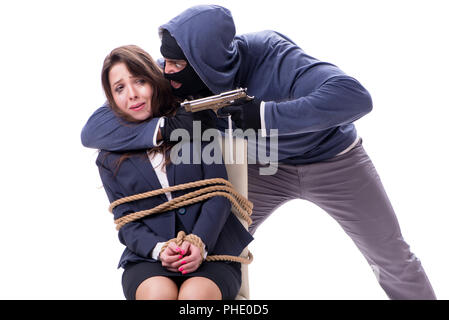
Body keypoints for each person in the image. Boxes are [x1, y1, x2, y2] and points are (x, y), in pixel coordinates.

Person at [81, 5, 436, 299]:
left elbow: (355, 96)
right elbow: (94, 128)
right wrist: (165, 128)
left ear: (205, 61)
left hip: (335, 161)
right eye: (165, 62)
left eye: (176, 64)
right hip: (263, 168)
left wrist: (264, 115)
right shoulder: (177, 75)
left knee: (391, 255)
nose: (166, 72)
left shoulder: (273, 53)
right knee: (213, 248)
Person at [94, 45, 253, 300]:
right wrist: (159, 249)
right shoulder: (108, 159)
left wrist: (199, 242)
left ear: (155, 82)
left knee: (194, 299)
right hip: (149, 257)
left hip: (212, 250)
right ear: (111, 99)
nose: (132, 94)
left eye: (139, 81)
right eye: (120, 88)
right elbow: (126, 221)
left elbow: (219, 195)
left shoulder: (193, 127)